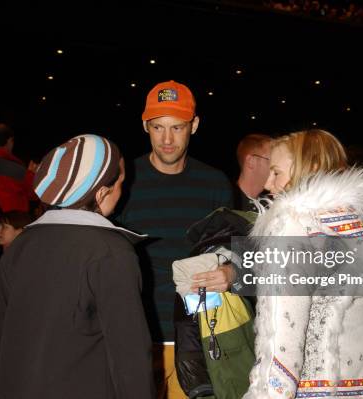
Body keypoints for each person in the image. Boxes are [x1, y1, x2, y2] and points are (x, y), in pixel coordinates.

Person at [243, 130, 363, 398]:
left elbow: (281, 342)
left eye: (277, 172)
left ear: (310, 168)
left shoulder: (293, 226)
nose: (268, 183)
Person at [0, 134, 154, 399]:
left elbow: (0, 342)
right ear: (101, 192)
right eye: (122, 183)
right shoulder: (111, 251)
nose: (124, 191)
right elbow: (130, 356)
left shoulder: (19, 246)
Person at [115, 80, 233, 398]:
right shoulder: (123, 183)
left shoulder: (215, 184)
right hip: (137, 336)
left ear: (194, 126)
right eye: (158, 127)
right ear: (145, 126)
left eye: (177, 127)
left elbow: (235, 254)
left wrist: (230, 272)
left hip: (199, 337)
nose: (167, 139)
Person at [0, 123, 36, 213]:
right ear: (9, 140)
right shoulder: (18, 169)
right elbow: (34, 195)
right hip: (14, 222)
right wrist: (32, 174)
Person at [234, 133, 273, 212]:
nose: (277, 166)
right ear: (251, 161)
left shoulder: (272, 206)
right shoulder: (228, 203)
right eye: (272, 159)